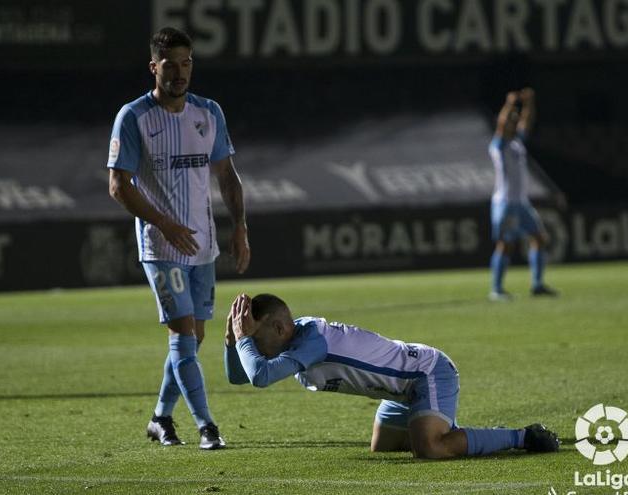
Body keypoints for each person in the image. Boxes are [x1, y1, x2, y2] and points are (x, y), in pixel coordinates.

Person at [106, 27, 250, 450]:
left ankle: (159, 418)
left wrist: (240, 226)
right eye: (170, 65)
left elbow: (227, 175)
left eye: (186, 64)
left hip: (203, 247)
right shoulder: (134, 117)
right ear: (154, 67)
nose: (180, 73)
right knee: (184, 338)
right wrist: (164, 224)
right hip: (162, 248)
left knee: (193, 341)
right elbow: (119, 185)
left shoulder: (208, 113)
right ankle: (208, 427)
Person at [224, 293, 560, 458]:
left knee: (430, 449)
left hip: (426, 372)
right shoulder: (292, 341)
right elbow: (240, 377)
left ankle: (522, 437)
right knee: (382, 448)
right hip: (398, 391)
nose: (251, 343)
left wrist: (242, 340)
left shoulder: (311, 341)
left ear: (280, 327)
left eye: (256, 336)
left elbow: (260, 377)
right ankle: (433, 423)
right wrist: (232, 343)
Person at [488, 87, 557, 301]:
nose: (514, 121)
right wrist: (510, 103)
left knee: (539, 238)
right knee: (505, 244)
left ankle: (537, 284)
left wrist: (528, 103)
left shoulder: (516, 144)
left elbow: (528, 122)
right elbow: (501, 124)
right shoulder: (498, 145)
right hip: (506, 202)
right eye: (511, 118)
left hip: (521, 202)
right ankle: (496, 290)